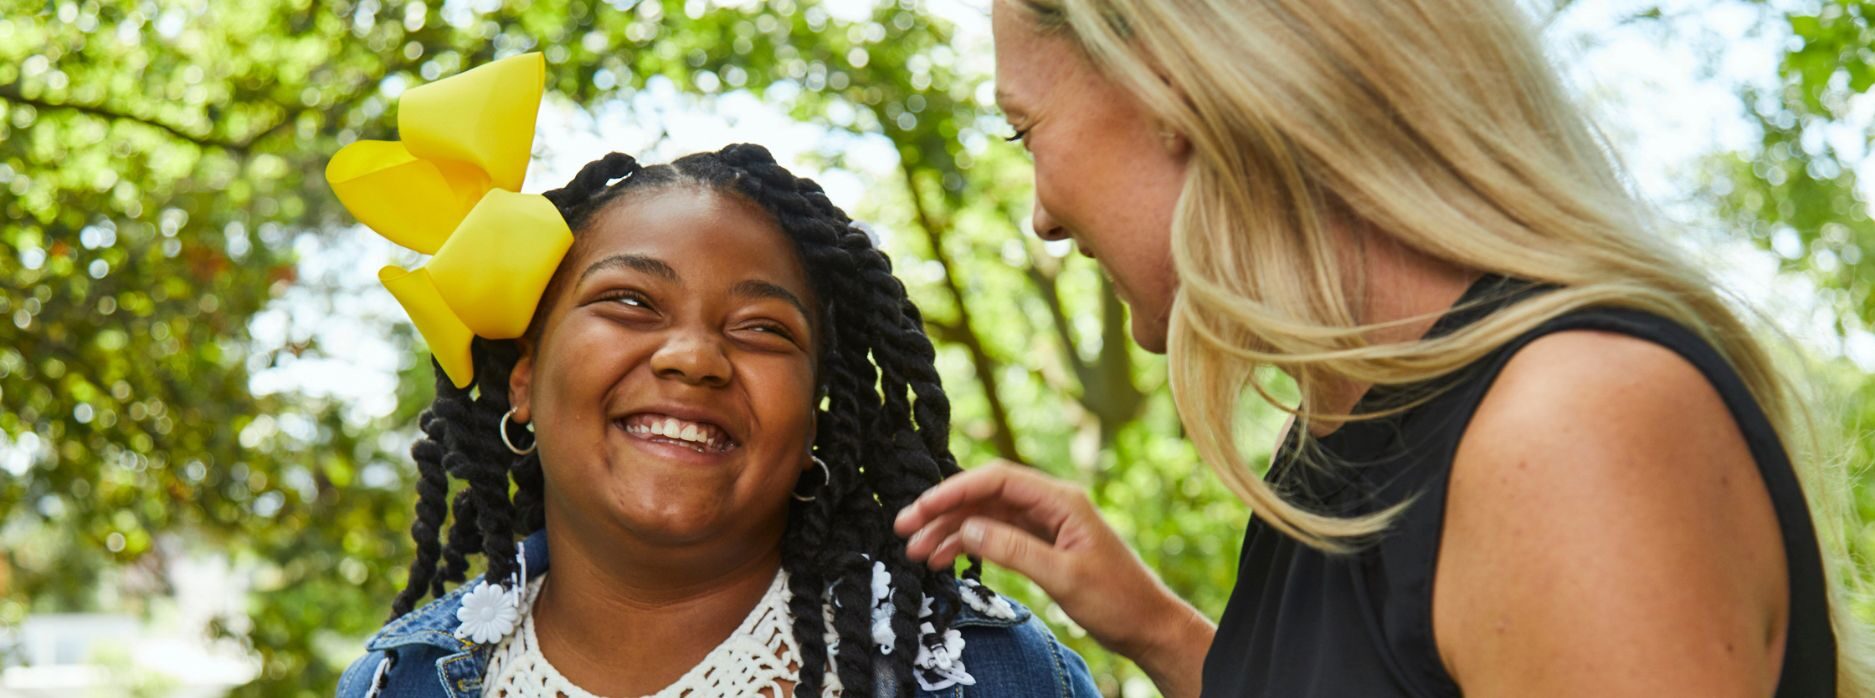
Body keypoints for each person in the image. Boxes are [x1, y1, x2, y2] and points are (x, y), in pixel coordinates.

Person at [894, 1, 1872, 696]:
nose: (1042, 216)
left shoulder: (1572, 421)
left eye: (1026, 130)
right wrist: (1158, 628)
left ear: (1172, 82)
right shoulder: (1336, 455)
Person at [324, 53, 1099, 697]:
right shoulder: (398, 681)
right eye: (630, 302)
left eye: (762, 328)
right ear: (521, 380)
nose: (693, 358)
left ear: (817, 418)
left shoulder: (993, 674)